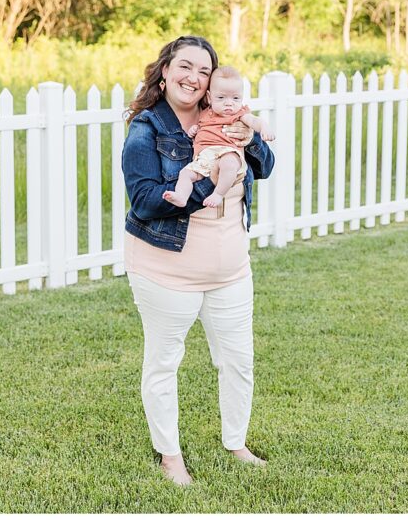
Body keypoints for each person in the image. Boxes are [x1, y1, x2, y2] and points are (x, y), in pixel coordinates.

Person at [121, 36, 275, 486]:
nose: (193, 77)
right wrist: (209, 192)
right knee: (164, 362)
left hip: (230, 270)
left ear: (212, 82)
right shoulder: (146, 129)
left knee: (238, 359)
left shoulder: (226, 116)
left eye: (203, 70)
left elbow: (264, 166)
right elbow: (146, 200)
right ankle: (170, 456)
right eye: (184, 66)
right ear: (165, 71)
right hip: (166, 271)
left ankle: (236, 442)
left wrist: (251, 142)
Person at [163, 65, 275, 209]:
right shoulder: (205, 114)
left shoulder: (239, 114)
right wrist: (194, 130)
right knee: (185, 174)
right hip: (204, 157)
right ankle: (181, 196)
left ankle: (218, 193)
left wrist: (263, 127)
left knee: (228, 164)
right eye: (221, 97)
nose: (229, 103)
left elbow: (254, 121)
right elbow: (201, 128)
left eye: (235, 98)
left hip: (228, 153)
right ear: (210, 97)